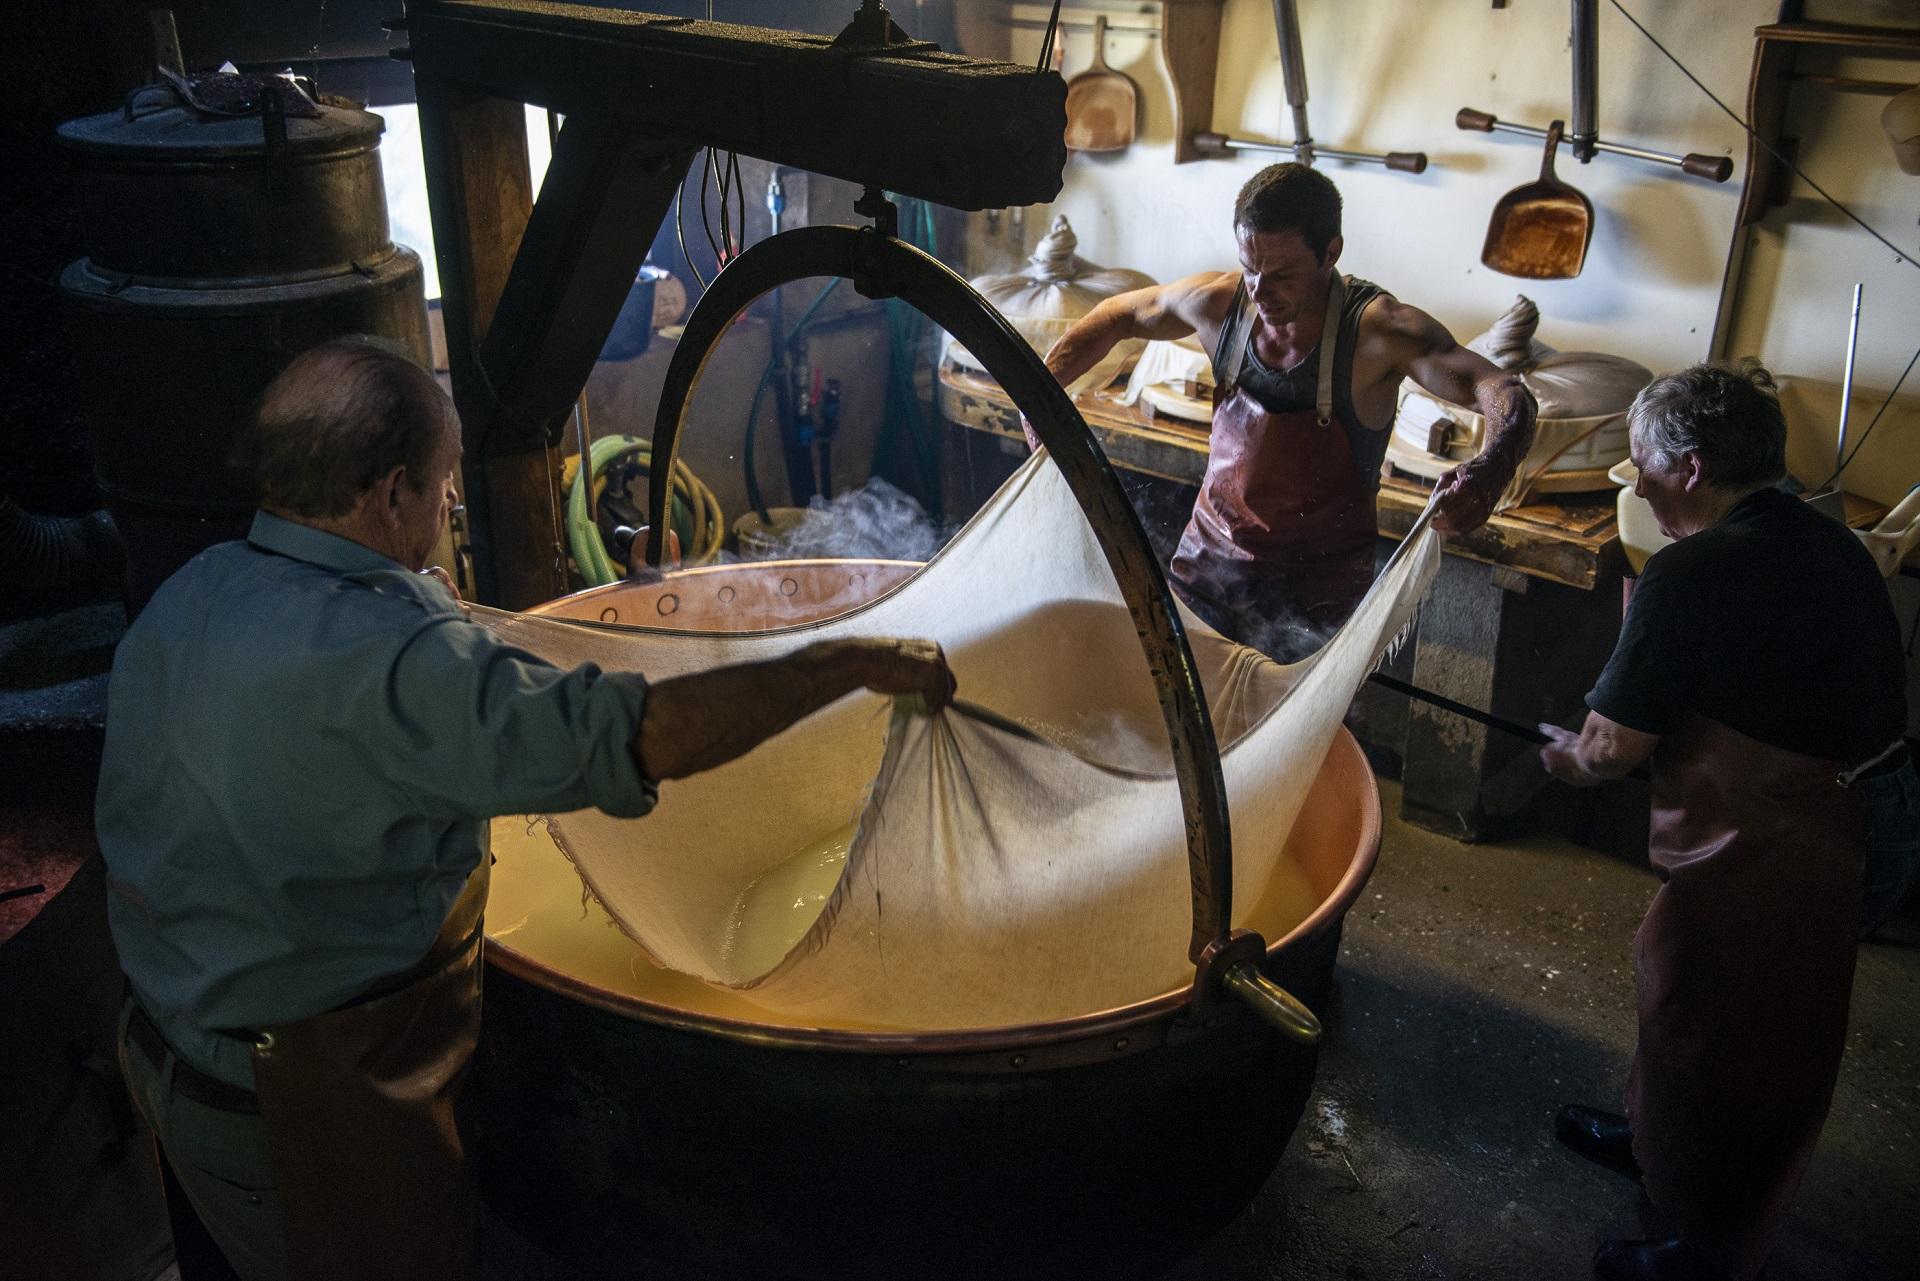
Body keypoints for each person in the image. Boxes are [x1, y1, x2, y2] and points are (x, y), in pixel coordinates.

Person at [95, 337, 955, 1281]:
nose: (451, 507)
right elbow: (634, 737)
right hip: (308, 1111)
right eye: (443, 484)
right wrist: (844, 663)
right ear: (392, 494)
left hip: (170, 1058)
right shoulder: (398, 664)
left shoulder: (191, 595)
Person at [1538, 360, 1910, 1281]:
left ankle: (1711, 1248)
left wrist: (1571, 758)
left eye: (1642, 466)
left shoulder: (1690, 571)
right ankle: (1656, 1141)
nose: (1637, 486)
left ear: (1692, 468)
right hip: (1871, 808)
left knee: (1745, 1046)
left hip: (1808, 841)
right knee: (1683, 987)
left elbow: (1611, 747)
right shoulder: (1827, 537)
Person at [1032, 163, 1537, 659]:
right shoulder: (1218, 304)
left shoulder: (1377, 333)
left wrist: (1493, 466)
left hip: (1316, 604)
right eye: (1250, 268)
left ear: (1330, 253)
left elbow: (1500, 388)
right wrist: (1041, 394)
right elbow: (1117, 314)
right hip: (1207, 575)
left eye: (1282, 275)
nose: (1259, 289)